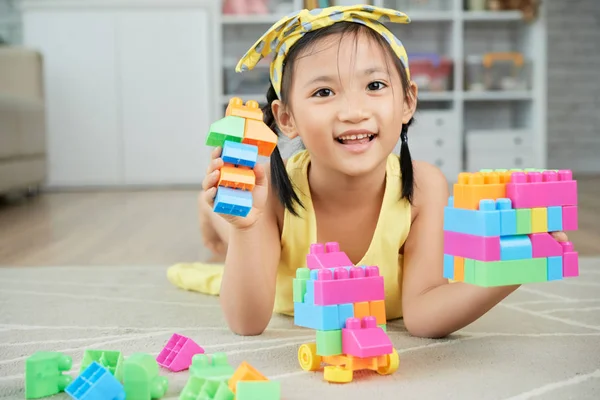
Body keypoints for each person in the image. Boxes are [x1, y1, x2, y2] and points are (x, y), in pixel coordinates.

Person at [167, 5, 568, 337]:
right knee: (230, 226)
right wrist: (243, 225)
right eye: (324, 92)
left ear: (407, 101)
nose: (354, 111)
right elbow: (247, 322)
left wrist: (515, 266)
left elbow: (423, 314)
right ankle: (212, 220)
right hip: (270, 229)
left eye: (375, 86)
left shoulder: (424, 186)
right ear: (286, 118)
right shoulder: (271, 188)